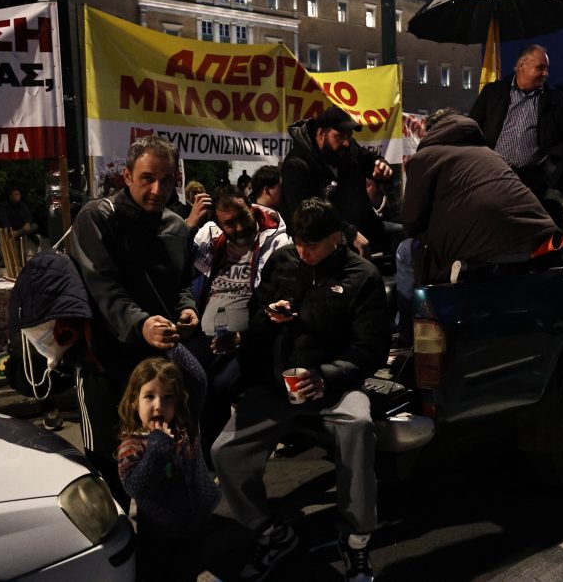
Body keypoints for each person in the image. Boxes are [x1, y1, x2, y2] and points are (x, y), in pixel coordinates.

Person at [213, 198, 388, 582]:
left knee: (358, 426)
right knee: (224, 450)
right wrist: (268, 318)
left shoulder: (363, 276)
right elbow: (257, 312)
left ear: (336, 238)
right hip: (281, 380)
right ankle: (271, 532)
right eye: (298, 241)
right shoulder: (284, 261)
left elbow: (370, 348)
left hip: (336, 382)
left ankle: (356, 539)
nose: (304, 251)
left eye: (313, 244)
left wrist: (327, 374)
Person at [70, 135, 199, 507]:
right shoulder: (97, 218)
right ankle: (112, 553)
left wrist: (187, 309)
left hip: (157, 367)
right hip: (104, 363)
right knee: (107, 467)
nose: (157, 189)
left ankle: (157, 546)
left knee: (157, 456)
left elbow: (181, 286)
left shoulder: (177, 227)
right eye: (147, 178)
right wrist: (141, 323)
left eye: (166, 179)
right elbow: (102, 287)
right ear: (126, 175)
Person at [399, 108, 562, 284]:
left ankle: (415, 311)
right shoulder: (491, 154)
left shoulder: (424, 157)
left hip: (481, 255)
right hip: (543, 242)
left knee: (406, 249)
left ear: (430, 132)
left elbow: (411, 221)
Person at [191, 183, 290, 458]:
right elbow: (178, 265)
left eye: (241, 218)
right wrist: (189, 224)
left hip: (249, 339)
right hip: (204, 334)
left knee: (219, 385)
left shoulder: (277, 241)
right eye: (228, 224)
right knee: (174, 373)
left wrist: (241, 339)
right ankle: (189, 458)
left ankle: (219, 459)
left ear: (250, 205)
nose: (236, 229)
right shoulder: (209, 237)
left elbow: (275, 304)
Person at [117, 345, 221, 582]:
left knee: (186, 572)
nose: (158, 405)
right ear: (134, 401)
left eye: (167, 398)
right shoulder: (133, 444)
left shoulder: (186, 426)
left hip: (194, 525)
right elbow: (134, 487)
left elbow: (198, 380)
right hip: (158, 535)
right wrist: (157, 448)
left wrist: (172, 344)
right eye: (149, 396)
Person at [469, 44, 563, 219]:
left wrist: (550, 175)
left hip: (533, 181)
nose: (546, 74)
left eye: (547, 68)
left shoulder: (556, 100)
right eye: (540, 68)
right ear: (522, 65)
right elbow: (472, 128)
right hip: (494, 176)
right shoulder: (493, 93)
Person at [281, 106, 393, 255]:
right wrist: (348, 233)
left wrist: (380, 165)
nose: (346, 142)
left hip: (368, 232)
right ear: (321, 134)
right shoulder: (297, 165)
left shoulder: (348, 149)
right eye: (340, 136)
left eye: (349, 136)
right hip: (326, 247)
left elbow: (368, 158)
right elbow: (306, 216)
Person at [0, 186, 40, 253]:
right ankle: (21, 234)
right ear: (10, 196)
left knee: (34, 226)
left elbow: (28, 215)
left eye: (19, 194)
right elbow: (4, 220)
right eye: (16, 194)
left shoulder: (22, 205)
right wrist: (9, 229)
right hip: (12, 230)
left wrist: (27, 222)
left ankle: (17, 234)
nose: (19, 196)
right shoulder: (4, 206)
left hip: (22, 228)